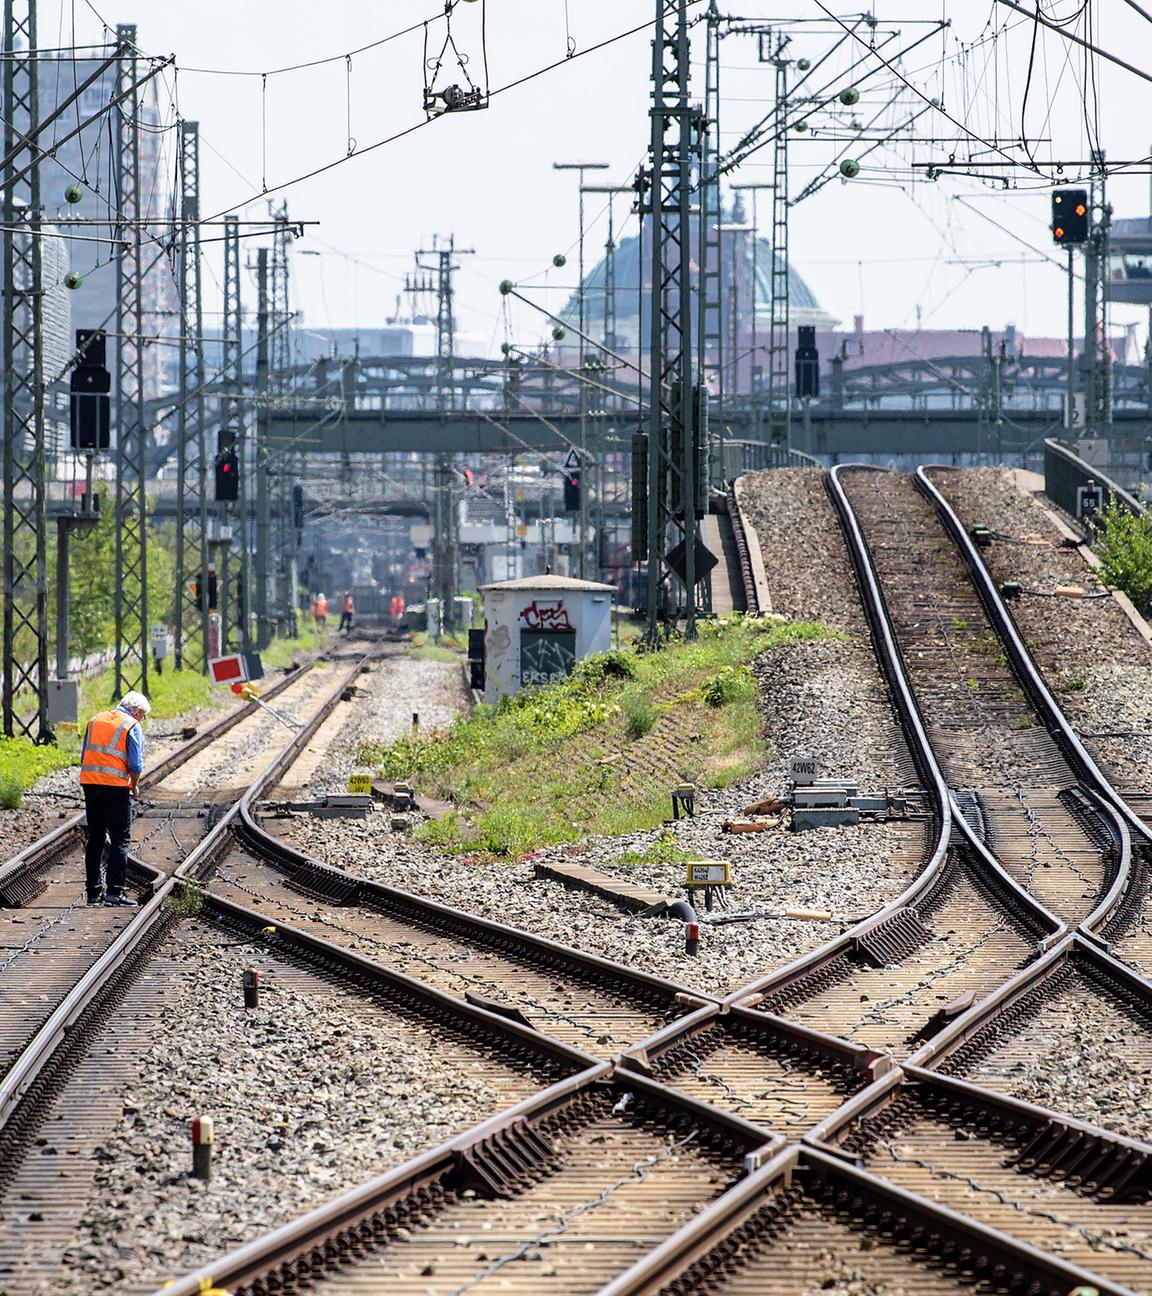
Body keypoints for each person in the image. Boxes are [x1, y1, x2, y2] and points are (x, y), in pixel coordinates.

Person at [79, 690, 151, 907]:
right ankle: (115, 893)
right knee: (120, 840)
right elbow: (135, 765)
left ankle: (93, 893)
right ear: (137, 712)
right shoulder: (131, 725)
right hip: (115, 788)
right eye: (143, 715)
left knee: (96, 838)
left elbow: (84, 754)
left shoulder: (95, 720)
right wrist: (134, 785)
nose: (142, 719)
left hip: (90, 783)